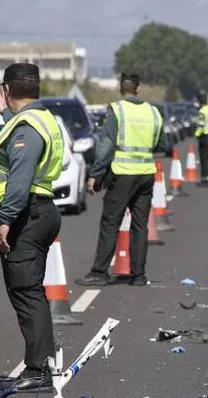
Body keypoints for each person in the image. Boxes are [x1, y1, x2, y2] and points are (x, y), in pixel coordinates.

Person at [0, 63, 63, 390]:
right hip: (39, 211)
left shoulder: (28, 125)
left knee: (27, 292)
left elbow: (19, 179)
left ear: (7, 88)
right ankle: (42, 361)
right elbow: (21, 145)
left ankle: (38, 367)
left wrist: (4, 220)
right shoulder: (38, 118)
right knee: (30, 291)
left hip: (26, 215)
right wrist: (5, 115)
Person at [75, 72, 167, 287]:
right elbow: (162, 144)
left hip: (123, 173)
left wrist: (96, 175)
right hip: (146, 173)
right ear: (138, 88)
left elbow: (106, 146)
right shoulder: (153, 112)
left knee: (110, 222)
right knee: (140, 225)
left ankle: (99, 272)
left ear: (120, 87)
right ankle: (138, 275)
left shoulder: (117, 110)